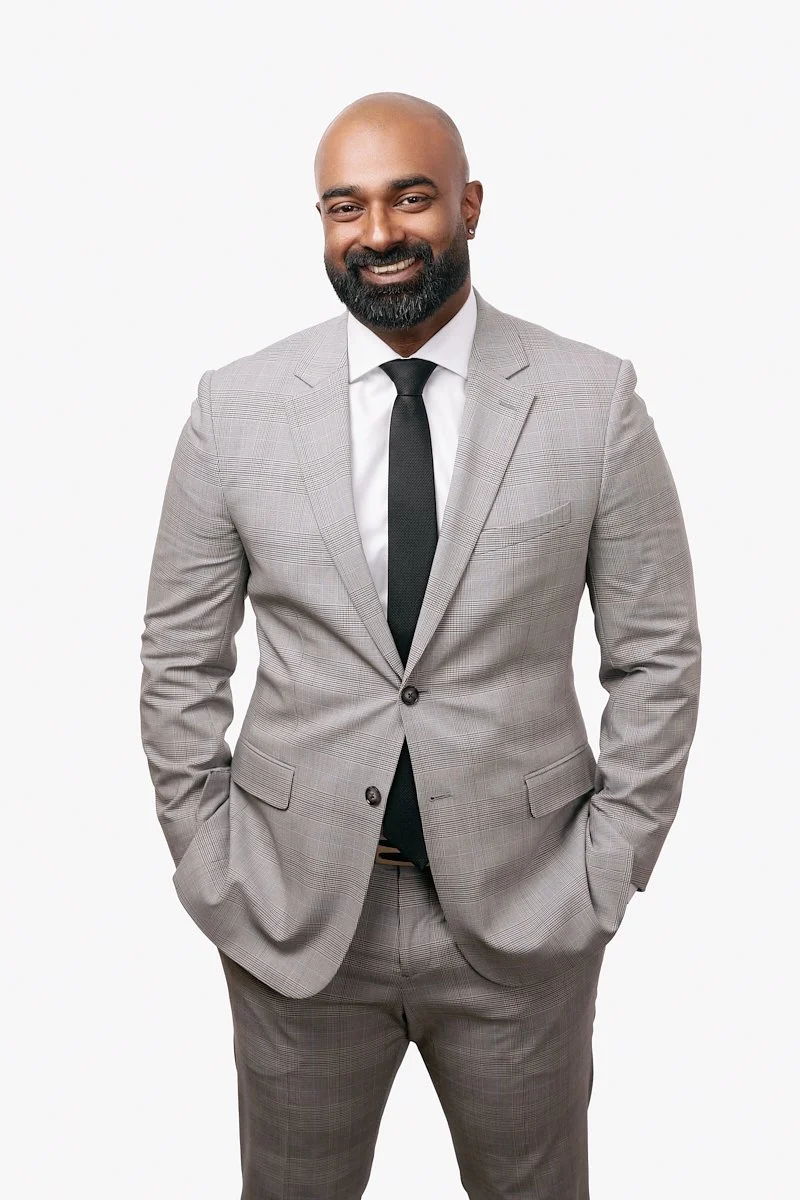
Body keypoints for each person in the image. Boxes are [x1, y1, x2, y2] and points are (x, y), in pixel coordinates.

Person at [139, 90, 701, 1199]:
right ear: (322, 222)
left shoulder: (592, 402)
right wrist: (212, 863)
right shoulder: (233, 409)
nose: (379, 231)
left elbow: (657, 654)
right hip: (294, 918)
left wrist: (607, 867)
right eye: (345, 207)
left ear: (469, 206)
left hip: (526, 914)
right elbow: (177, 659)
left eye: (410, 197)